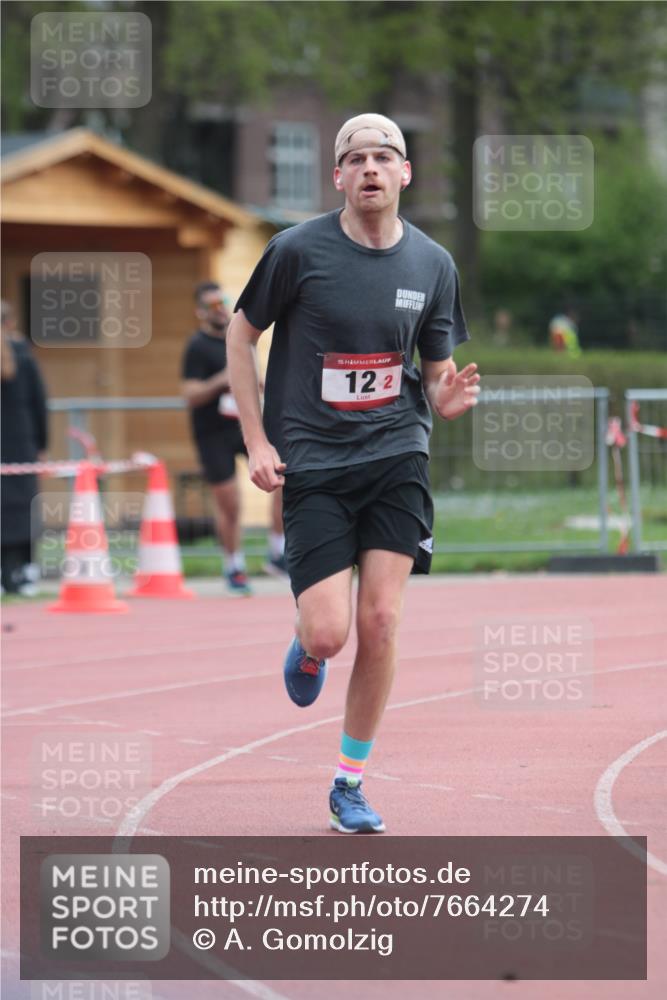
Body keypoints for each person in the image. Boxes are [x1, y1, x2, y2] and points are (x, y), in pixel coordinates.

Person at [227, 113, 479, 832]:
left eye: (384, 156)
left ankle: (349, 782)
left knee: (380, 619)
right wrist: (257, 440)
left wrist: (445, 397)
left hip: (396, 454)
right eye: (355, 158)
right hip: (314, 461)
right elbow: (241, 336)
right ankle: (308, 644)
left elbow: (433, 375)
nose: (370, 167)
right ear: (336, 176)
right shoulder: (295, 251)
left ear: (405, 174)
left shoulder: (431, 264)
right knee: (332, 632)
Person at [180, 282, 287, 596]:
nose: (219, 309)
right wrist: (220, 381)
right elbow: (190, 393)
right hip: (212, 433)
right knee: (231, 503)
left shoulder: (240, 337)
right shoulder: (197, 347)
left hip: (247, 427)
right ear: (201, 311)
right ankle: (234, 565)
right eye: (212, 305)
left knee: (283, 478)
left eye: (222, 302)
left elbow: (259, 378)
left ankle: (278, 552)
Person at [1, 300, 49, 595]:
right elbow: (39, 404)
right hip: (21, 443)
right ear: (11, 323)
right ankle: (24, 571)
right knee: (23, 507)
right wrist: (42, 444)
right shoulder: (24, 355)